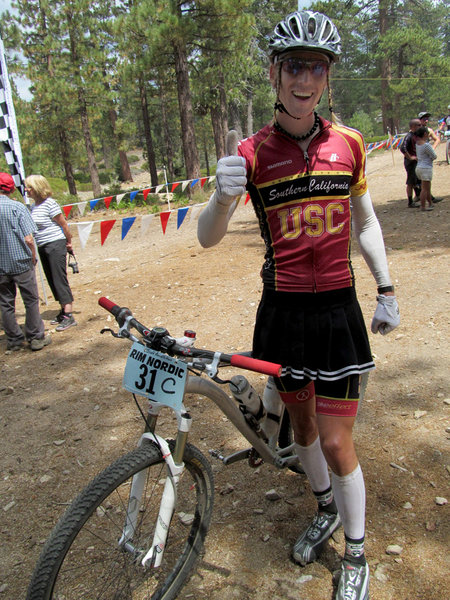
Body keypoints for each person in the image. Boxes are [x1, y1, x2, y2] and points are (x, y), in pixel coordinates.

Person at [198, 10, 400, 600]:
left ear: (328, 76)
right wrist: (219, 195)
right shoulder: (251, 152)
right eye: (293, 66)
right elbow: (208, 237)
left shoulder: (351, 145)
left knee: (338, 442)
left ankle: (356, 552)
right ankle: (323, 510)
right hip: (282, 311)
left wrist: (385, 288)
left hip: (338, 309)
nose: (304, 78)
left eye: (316, 66)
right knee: (302, 427)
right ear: (274, 74)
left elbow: (365, 222)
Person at [0, 172, 51, 351]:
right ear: (11, 188)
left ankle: (13, 340)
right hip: (21, 262)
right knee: (30, 300)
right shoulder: (18, 208)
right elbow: (29, 238)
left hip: (1, 265)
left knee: (5, 303)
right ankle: (36, 337)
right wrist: (32, 255)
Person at [25, 175, 77, 331]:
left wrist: (68, 242)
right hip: (43, 245)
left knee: (59, 278)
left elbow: (64, 225)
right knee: (51, 279)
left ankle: (69, 315)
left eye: (29, 187)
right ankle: (63, 310)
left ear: (38, 187)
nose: (26, 190)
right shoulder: (34, 206)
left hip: (55, 244)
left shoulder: (50, 204)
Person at [399, 118, 421, 207]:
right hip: (411, 163)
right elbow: (402, 148)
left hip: (416, 162)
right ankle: (410, 202)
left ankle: (419, 196)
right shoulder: (409, 136)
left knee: (418, 180)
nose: (421, 126)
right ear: (413, 127)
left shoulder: (416, 135)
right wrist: (410, 157)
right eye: (419, 125)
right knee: (410, 182)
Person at [414, 126, 437, 212]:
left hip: (419, 167)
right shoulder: (426, 145)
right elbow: (434, 156)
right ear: (425, 134)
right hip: (426, 168)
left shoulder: (417, 144)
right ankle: (423, 206)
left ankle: (430, 203)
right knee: (424, 189)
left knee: (427, 187)